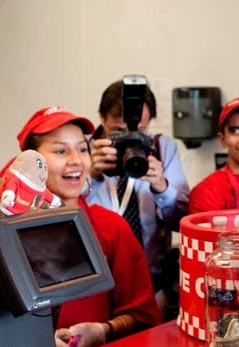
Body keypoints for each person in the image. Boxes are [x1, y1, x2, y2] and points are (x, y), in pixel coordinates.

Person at [13, 106, 161, 347]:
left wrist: (104, 330)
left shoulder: (110, 227)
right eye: (61, 151)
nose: (76, 161)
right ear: (31, 163)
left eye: (82, 149)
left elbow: (143, 316)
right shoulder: (8, 234)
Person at [85, 80, 189, 310]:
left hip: (150, 280)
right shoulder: (81, 150)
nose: (131, 139)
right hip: (94, 285)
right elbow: (63, 214)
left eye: (139, 131)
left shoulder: (162, 148)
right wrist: (90, 177)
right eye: (119, 132)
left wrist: (162, 187)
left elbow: (182, 221)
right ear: (101, 118)